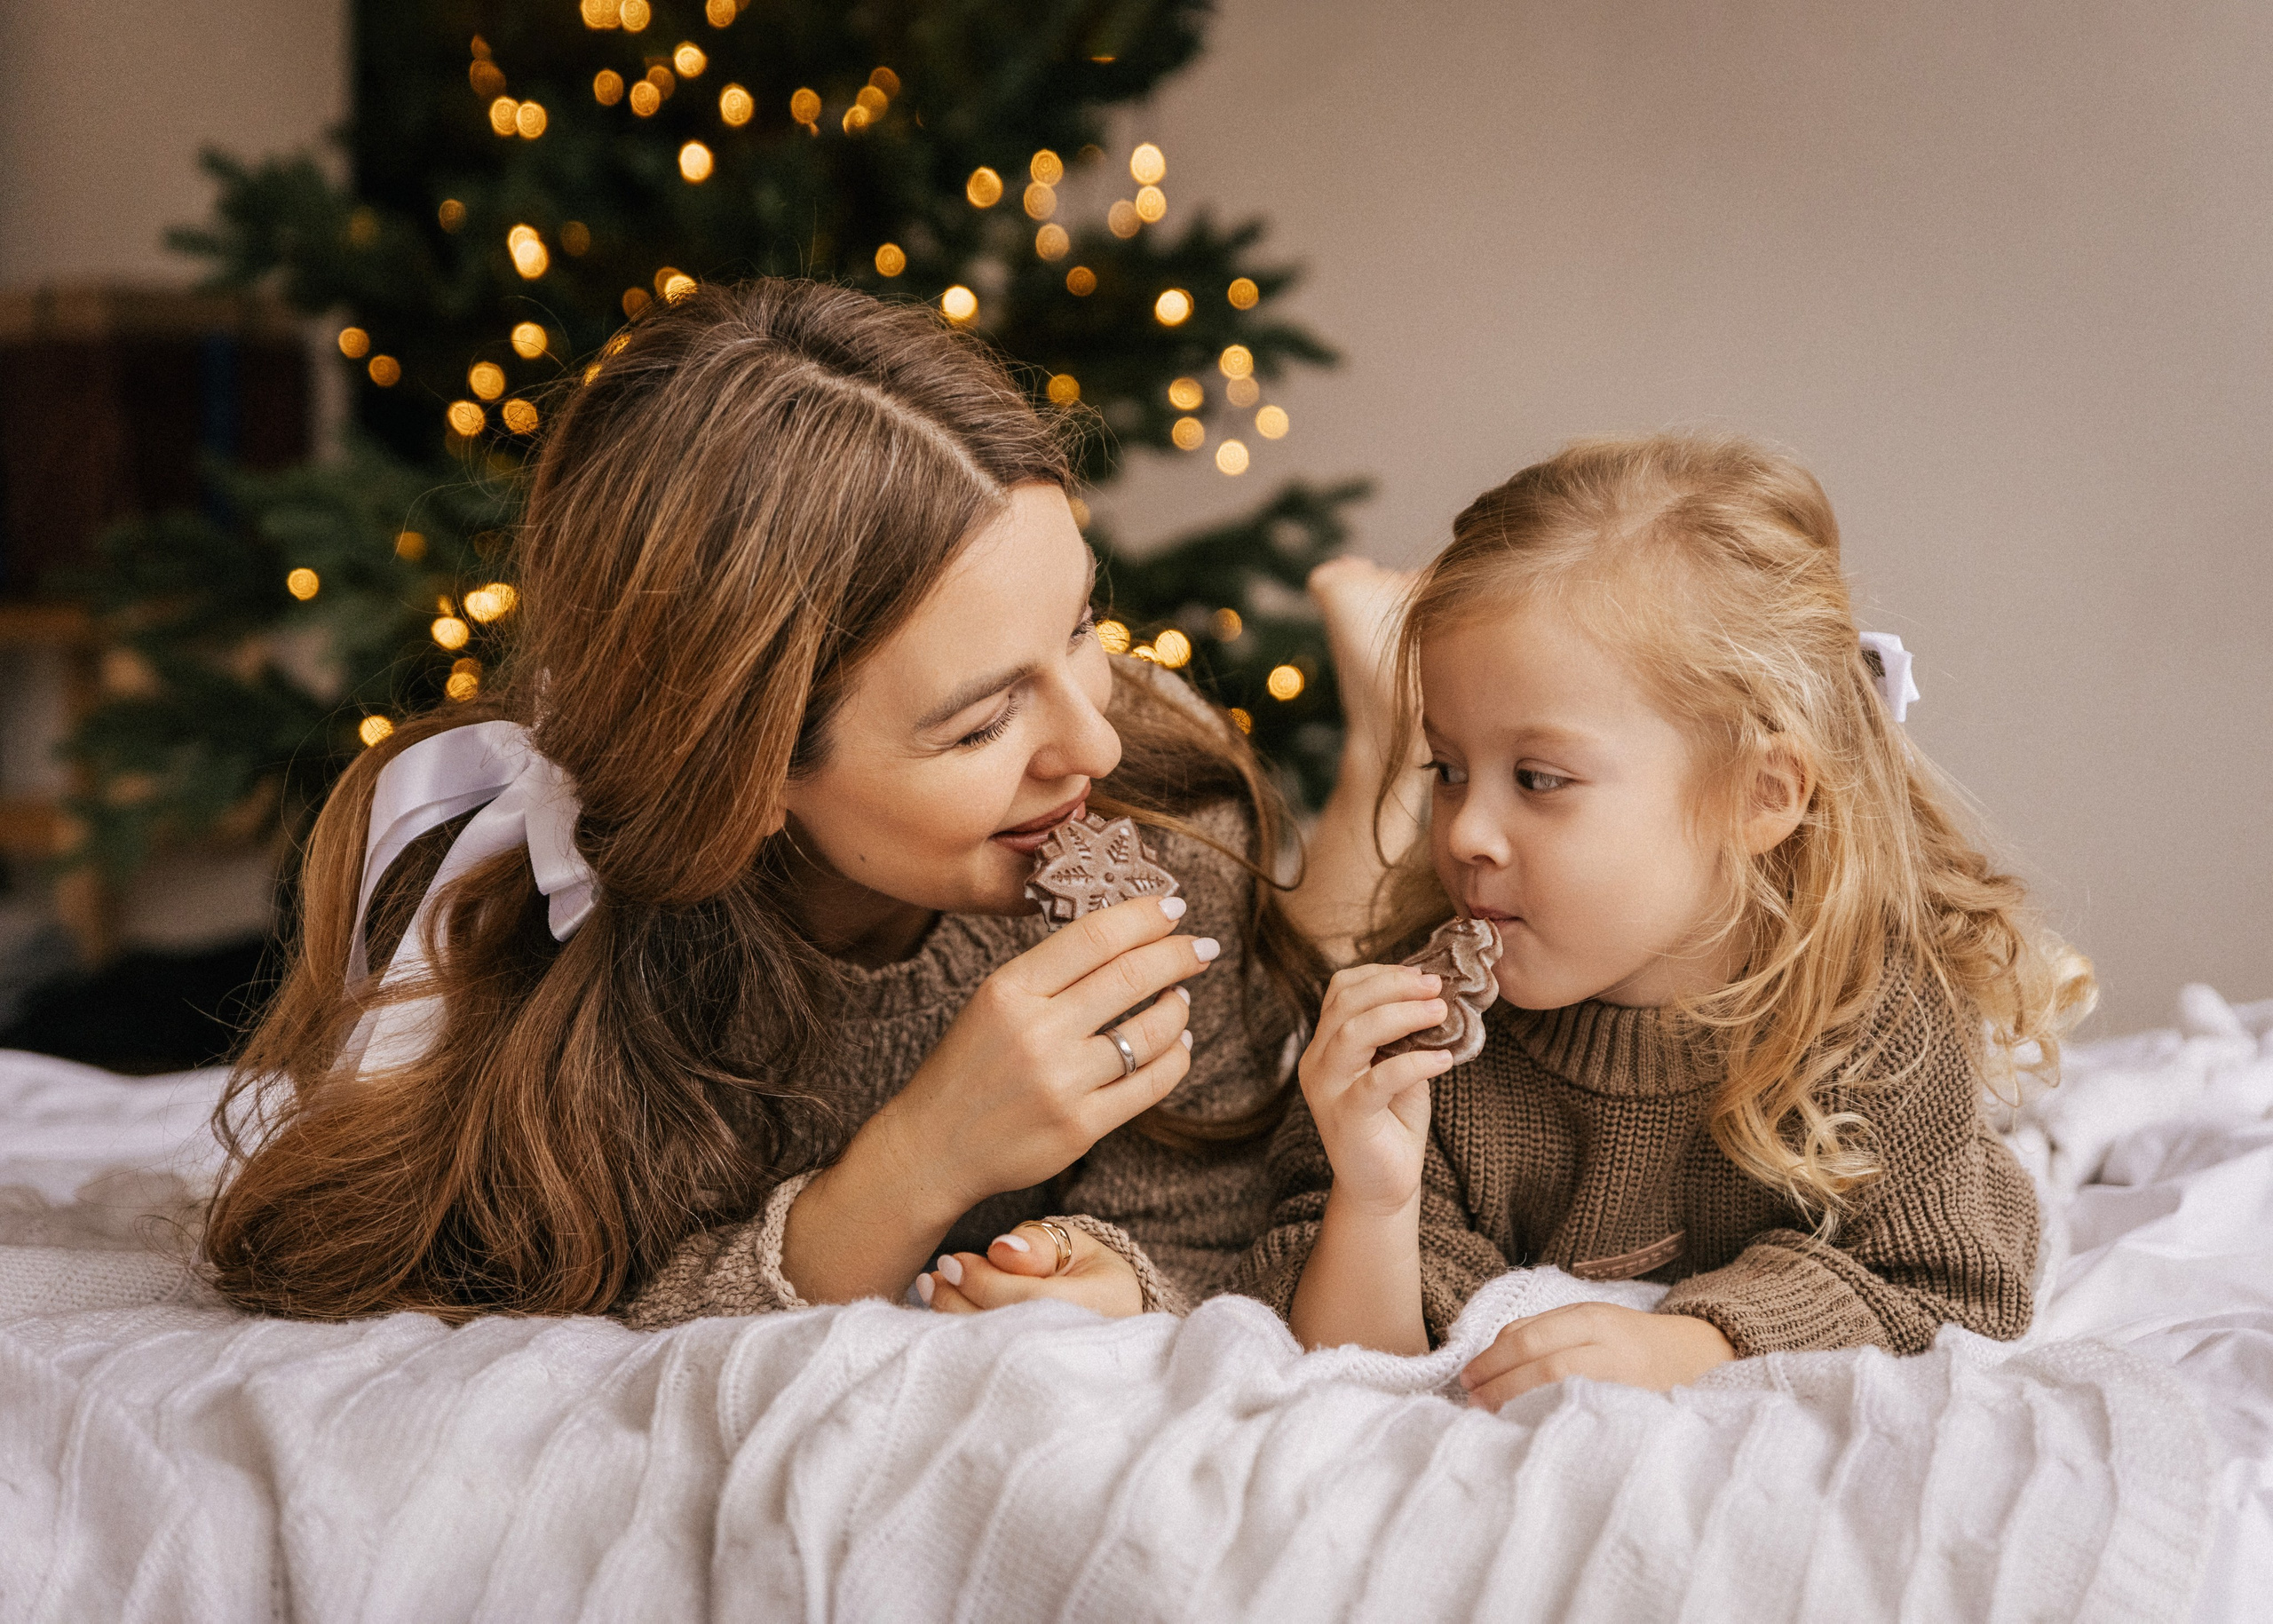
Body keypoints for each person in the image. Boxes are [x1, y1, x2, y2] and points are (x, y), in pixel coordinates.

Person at [202, 278, 1375, 1327]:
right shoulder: (540, 917)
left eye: (1081, 627)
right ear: (748, 767)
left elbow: (1222, 1226)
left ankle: (1389, 746)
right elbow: (418, 1291)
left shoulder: (1166, 823)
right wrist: (918, 1162)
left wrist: (1121, 1283)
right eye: (981, 723)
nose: (1093, 742)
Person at [1239, 432, 2095, 1408]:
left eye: (1538, 778)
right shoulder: (1433, 1044)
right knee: (1318, 948)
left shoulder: (1873, 1015)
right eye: (1447, 769)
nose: (1468, 830)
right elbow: (1350, 1364)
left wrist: (1698, 1343)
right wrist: (1373, 1200)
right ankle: (1379, 743)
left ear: (1760, 795)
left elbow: (1951, 1281)